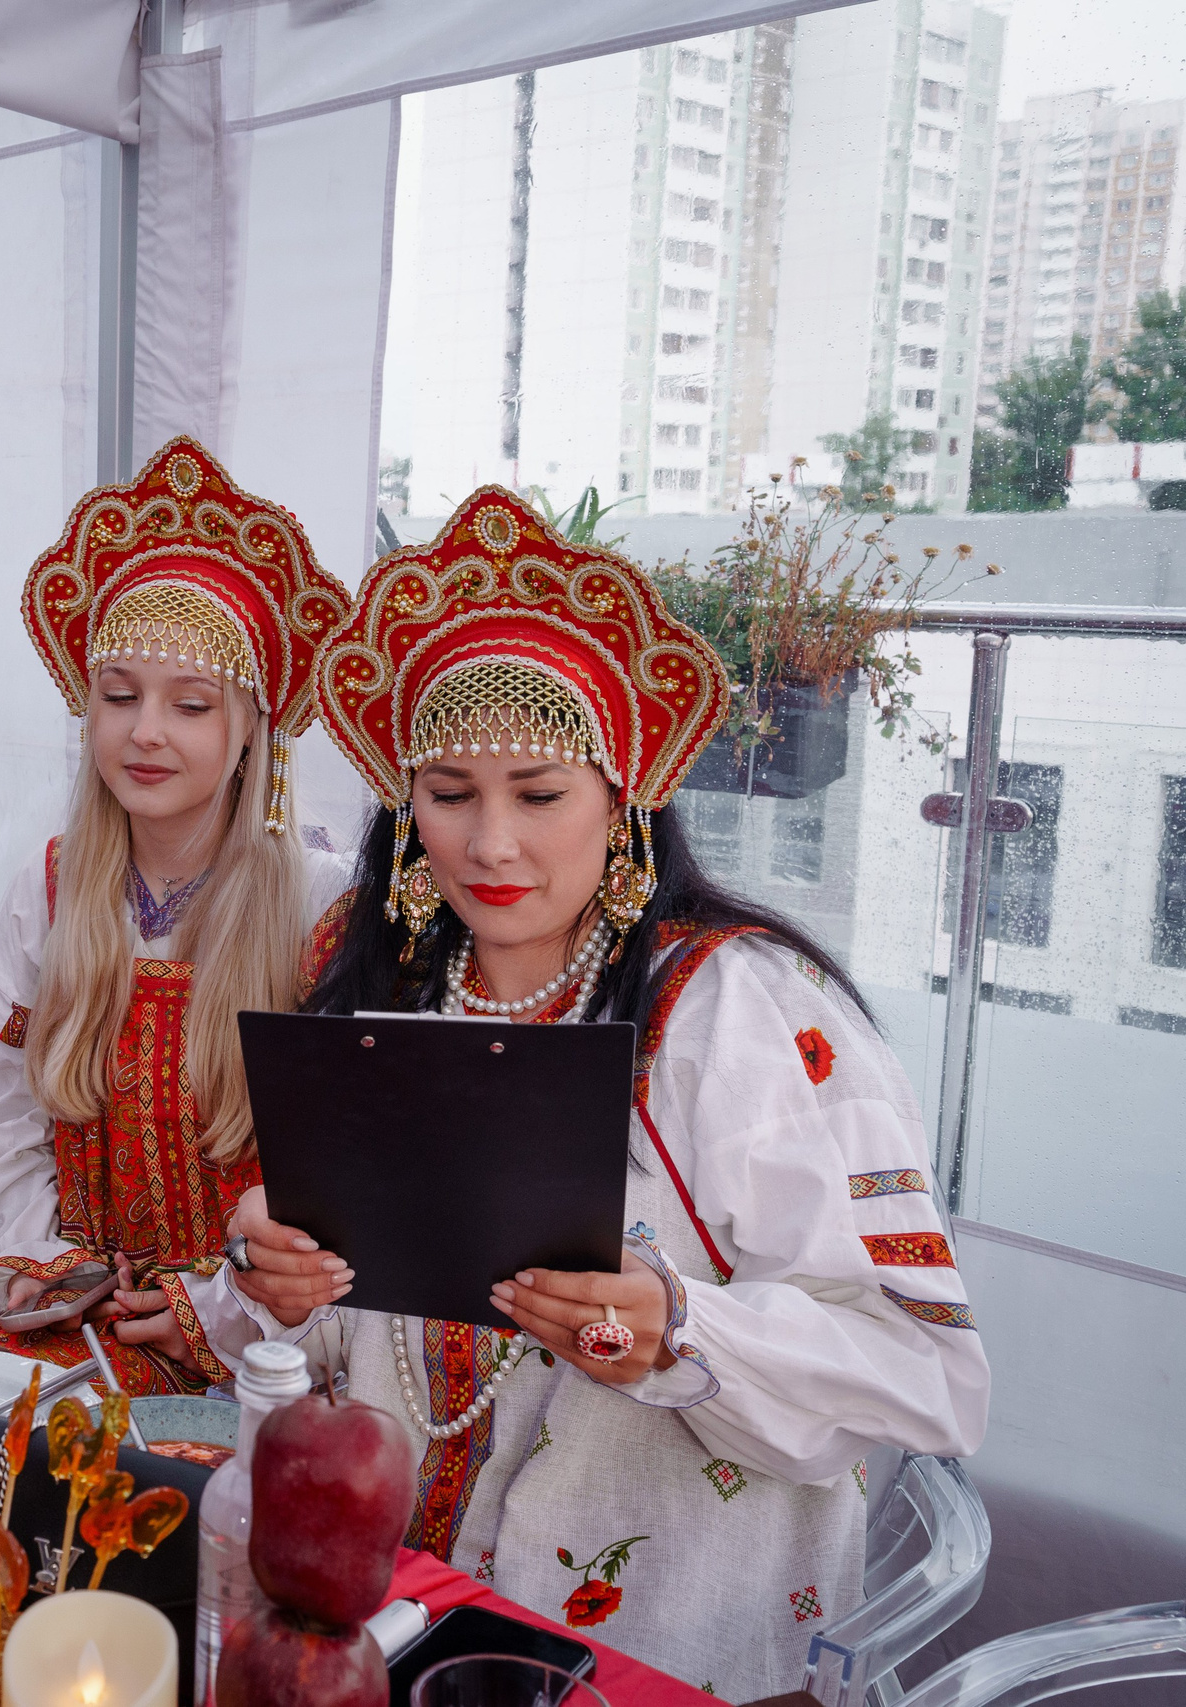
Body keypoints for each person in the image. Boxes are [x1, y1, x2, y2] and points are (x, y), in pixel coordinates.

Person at [229, 488, 987, 1695]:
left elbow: (923, 1368)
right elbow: (336, 1331)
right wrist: (273, 1273)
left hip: (659, 1647)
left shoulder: (740, 1011)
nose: (488, 846)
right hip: (385, 1614)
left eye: (538, 794)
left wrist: (679, 1330)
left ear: (622, 797)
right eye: (446, 793)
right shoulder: (380, 980)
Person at [0, 440, 354, 1395]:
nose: (145, 731)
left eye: (190, 704)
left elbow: (342, 1190)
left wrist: (210, 1307)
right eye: (118, 696)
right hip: (69, 1318)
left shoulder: (320, 907)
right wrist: (53, 1270)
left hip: (252, 1345)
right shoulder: (49, 887)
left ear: (251, 725)